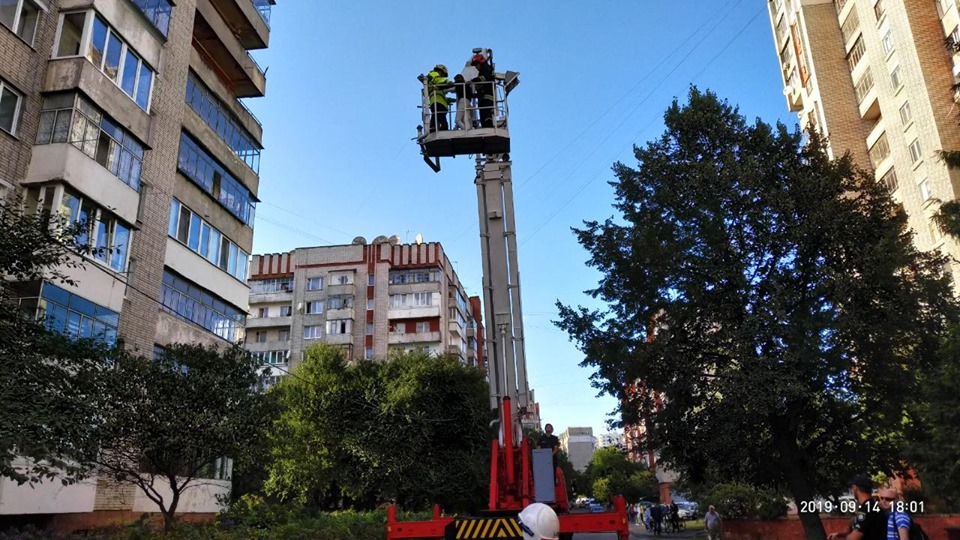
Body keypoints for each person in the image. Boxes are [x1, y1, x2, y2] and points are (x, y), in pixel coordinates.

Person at [827, 475, 887, 540]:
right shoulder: (873, 506)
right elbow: (863, 530)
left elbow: (855, 537)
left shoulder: (866, 509)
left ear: (855, 488)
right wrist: (840, 534)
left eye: (852, 488)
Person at [470, 52, 496, 128]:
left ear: (480, 63)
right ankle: (486, 125)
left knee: (486, 114)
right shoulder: (484, 70)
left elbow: (485, 78)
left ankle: (488, 124)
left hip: (486, 97)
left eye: (476, 65)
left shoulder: (486, 69)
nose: (476, 67)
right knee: (483, 115)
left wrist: (473, 81)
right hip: (483, 96)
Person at [426, 64, 454, 132]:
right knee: (443, 122)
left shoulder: (433, 83)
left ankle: (433, 128)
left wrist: (450, 100)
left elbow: (441, 93)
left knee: (435, 116)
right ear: (441, 71)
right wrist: (448, 82)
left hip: (438, 102)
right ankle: (437, 128)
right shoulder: (434, 76)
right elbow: (440, 80)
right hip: (438, 103)